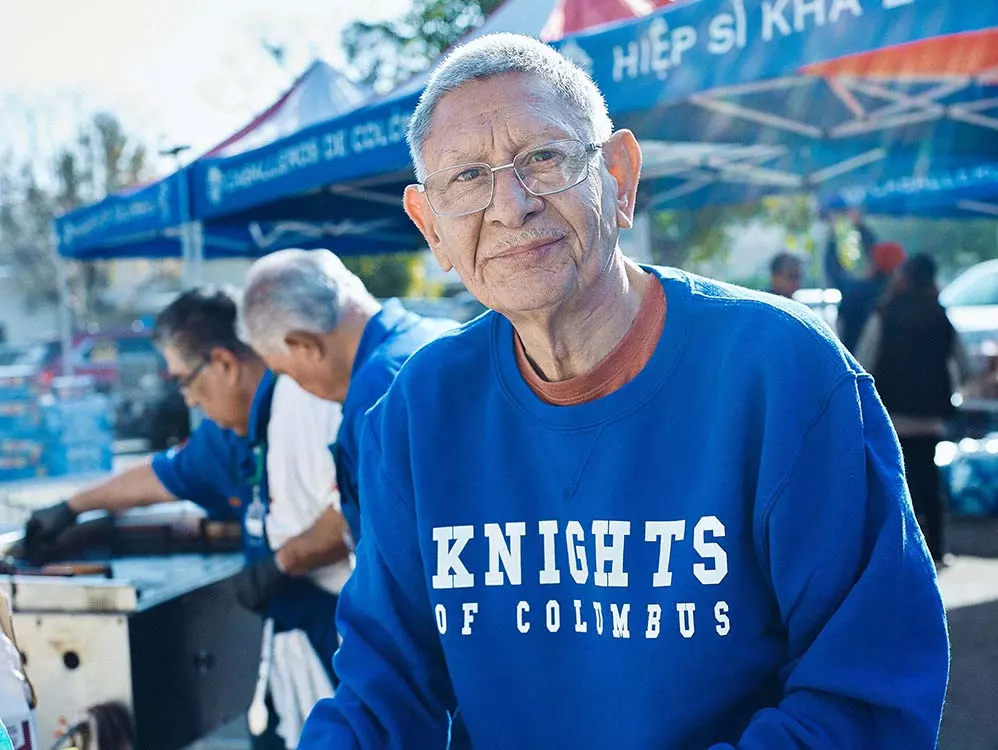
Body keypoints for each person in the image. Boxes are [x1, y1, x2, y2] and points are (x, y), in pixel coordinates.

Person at [299, 33, 948, 749]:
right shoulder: (419, 410)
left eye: (543, 158)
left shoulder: (784, 374)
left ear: (619, 175)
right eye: (469, 178)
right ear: (432, 230)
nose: (511, 205)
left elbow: (866, 702)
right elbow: (379, 698)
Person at [23, 286, 350, 750]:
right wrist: (72, 507)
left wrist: (283, 564)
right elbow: (158, 477)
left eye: (184, 380)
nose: (188, 401)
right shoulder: (231, 434)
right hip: (288, 655)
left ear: (224, 363)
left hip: (346, 641)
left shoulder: (314, 402)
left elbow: (356, 511)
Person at [240, 249, 458, 546]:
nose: (299, 386)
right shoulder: (440, 335)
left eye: (286, 373)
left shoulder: (374, 400)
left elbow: (390, 556)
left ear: (304, 345)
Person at [856, 254, 970, 566]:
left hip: (894, 416)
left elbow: (863, 358)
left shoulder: (886, 311)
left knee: (896, 484)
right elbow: (963, 364)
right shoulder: (940, 314)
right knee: (930, 483)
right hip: (931, 418)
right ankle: (937, 548)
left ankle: (900, 551)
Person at [824, 216, 907, 353]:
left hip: (857, 362)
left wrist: (832, 237)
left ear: (874, 265)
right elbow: (876, 251)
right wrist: (860, 226)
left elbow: (834, 271)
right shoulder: (898, 298)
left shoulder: (859, 292)